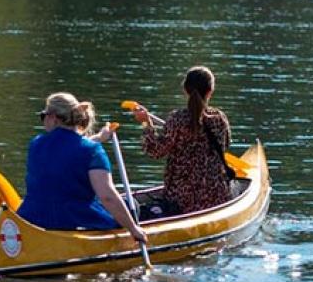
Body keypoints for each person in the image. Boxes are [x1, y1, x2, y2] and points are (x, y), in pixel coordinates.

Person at [18, 93, 148, 243]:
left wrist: (99, 138)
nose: (43, 121)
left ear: (53, 117)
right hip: (73, 220)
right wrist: (133, 229)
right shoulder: (92, 150)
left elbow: (65, 150)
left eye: (43, 116)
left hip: (30, 219)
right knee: (131, 206)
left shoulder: (35, 144)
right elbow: (107, 196)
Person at [131, 66, 232, 214]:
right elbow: (225, 145)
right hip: (215, 196)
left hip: (180, 199)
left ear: (185, 90)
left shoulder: (177, 119)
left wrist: (146, 123)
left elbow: (155, 151)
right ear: (210, 91)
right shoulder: (220, 119)